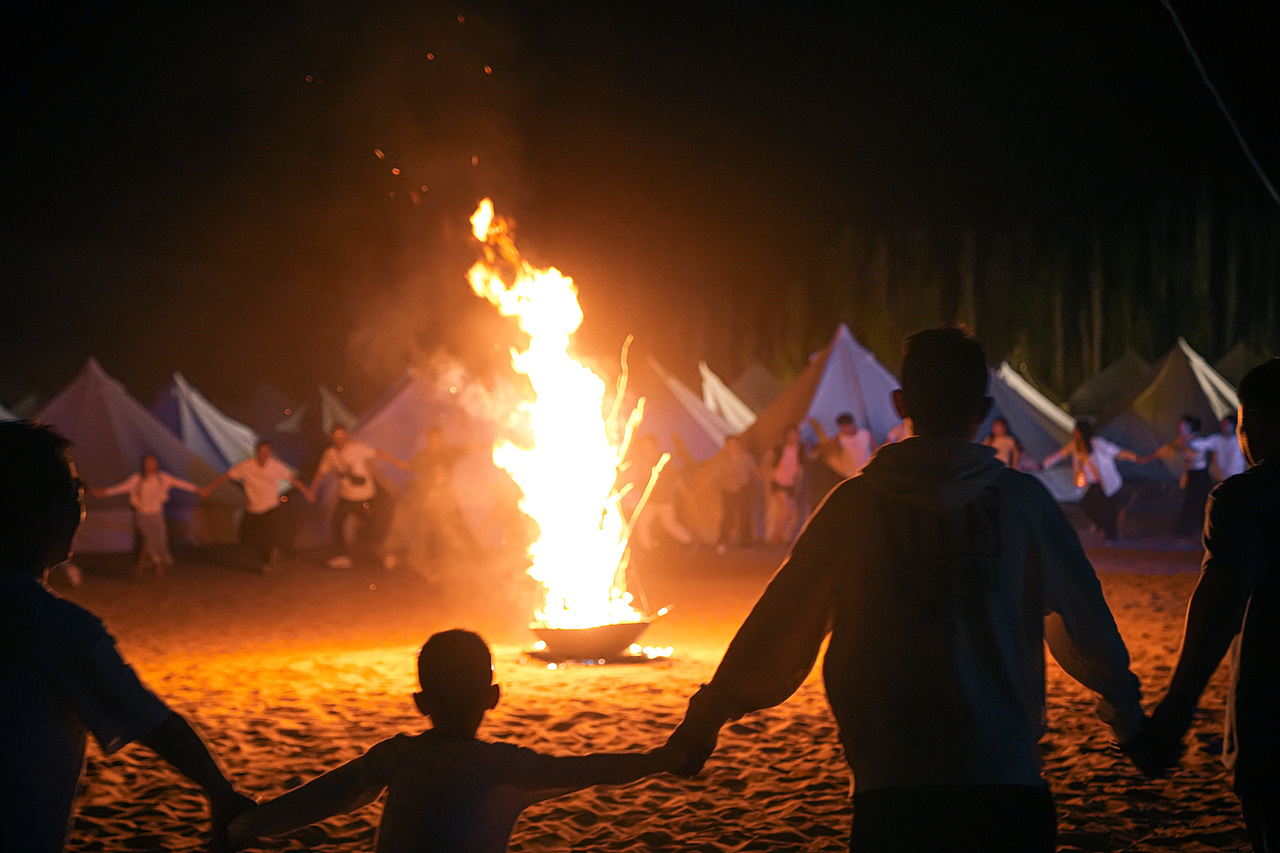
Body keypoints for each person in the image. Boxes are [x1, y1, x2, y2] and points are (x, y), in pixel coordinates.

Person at [668, 327, 1147, 852]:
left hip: (894, 791)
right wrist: (1128, 715)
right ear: (984, 409)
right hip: (1006, 784)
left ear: (900, 404)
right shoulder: (1025, 505)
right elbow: (1084, 625)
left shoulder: (853, 510)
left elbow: (781, 626)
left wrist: (711, 712)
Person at [0, 421, 253, 852]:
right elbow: (152, 720)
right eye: (75, 495)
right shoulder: (59, 629)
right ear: (47, 514)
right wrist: (219, 791)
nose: (81, 507)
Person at [225, 629, 684, 853]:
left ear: (419, 702)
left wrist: (245, 825)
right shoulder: (509, 767)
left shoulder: (397, 757)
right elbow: (588, 769)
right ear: (494, 697)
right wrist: (661, 759)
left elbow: (324, 799)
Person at [1145, 358, 1280, 852]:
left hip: (1272, 720)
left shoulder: (1246, 499)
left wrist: (1178, 709)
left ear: (1257, 424)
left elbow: (1221, 604)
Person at [200, 442, 314, 571]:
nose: (264, 456)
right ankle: (267, 555)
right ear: (256, 453)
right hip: (253, 508)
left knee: (270, 535)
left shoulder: (275, 466)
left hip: (271, 506)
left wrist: (307, 492)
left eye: (266, 453)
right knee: (246, 536)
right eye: (261, 453)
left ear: (269, 454)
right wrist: (208, 489)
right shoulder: (246, 466)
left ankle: (269, 559)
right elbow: (226, 476)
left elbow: (293, 480)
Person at [309, 425, 408, 569]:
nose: (340, 438)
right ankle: (343, 557)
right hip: (346, 497)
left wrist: (397, 462)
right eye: (337, 435)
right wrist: (312, 490)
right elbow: (321, 472)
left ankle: (386, 556)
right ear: (332, 437)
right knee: (337, 523)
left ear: (346, 435)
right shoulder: (330, 454)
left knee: (373, 526)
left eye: (342, 435)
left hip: (364, 497)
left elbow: (378, 453)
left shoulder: (356, 449)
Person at [90, 453, 201, 578]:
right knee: (149, 540)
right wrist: (104, 492)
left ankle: (147, 563)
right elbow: (120, 488)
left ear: (156, 464)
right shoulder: (137, 479)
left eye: (153, 462)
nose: (150, 465)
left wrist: (197, 489)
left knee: (160, 540)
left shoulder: (162, 478)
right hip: (142, 515)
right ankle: (158, 566)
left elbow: (181, 483)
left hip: (157, 515)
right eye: (148, 462)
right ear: (144, 465)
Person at [1043, 422, 1141, 543]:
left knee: (1107, 508)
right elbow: (1060, 455)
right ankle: (1103, 526)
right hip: (1093, 482)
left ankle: (1111, 535)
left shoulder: (1098, 443)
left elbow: (1115, 451)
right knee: (1086, 504)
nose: (1075, 433)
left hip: (1106, 482)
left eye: (1077, 431)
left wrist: (1133, 457)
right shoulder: (1075, 445)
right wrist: (1043, 465)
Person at [1147, 415, 1216, 538]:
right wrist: (1150, 457)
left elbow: (1192, 454)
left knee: (1198, 503)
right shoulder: (1184, 439)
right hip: (1193, 474)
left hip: (1201, 476)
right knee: (1194, 503)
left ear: (1189, 426)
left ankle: (1194, 530)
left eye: (1183, 425)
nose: (1180, 427)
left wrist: (1182, 446)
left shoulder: (1196, 440)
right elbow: (1171, 447)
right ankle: (1189, 530)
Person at [714, 435, 758, 552]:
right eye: (730, 444)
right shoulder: (722, 460)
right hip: (728, 491)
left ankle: (746, 543)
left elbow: (754, 471)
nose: (733, 447)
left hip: (744, 490)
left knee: (745, 517)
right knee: (728, 517)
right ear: (726, 446)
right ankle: (722, 541)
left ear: (738, 445)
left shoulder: (746, 458)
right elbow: (717, 476)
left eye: (735, 444)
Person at [762, 426, 804, 544]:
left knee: (789, 511)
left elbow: (801, 464)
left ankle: (780, 536)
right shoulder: (779, 448)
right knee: (785, 509)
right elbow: (770, 461)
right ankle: (775, 537)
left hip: (790, 484)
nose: (792, 437)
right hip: (778, 482)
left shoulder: (800, 450)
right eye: (790, 434)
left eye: (794, 434)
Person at [1208, 415, 1248, 482]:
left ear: (1233, 426)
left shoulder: (1240, 441)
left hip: (1238, 479)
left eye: (1226, 426)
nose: (1224, 428)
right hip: (1221, 480)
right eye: (1222, 425)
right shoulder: (1217, 440)